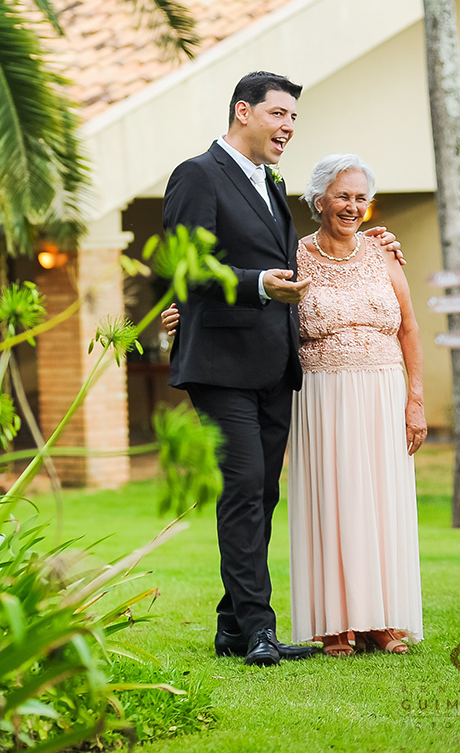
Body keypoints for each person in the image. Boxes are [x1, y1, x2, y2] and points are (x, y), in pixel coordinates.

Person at [160, 71, 401, 667]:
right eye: (278, 115)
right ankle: (261, 632)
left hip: (274, 367)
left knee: (260, 495)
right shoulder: (196, 175)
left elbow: (302, 260)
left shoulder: (271, 184)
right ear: (243, 111)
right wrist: (259, 285)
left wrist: (368, 245)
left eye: (294, 118)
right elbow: (189, 266)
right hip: (219, 366)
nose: (289, 128)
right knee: (243, 491)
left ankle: (231, 626)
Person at [286, 154, 425, 656]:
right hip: (323, 393)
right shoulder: (294, 254)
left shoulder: (383, 253)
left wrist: (415, 400)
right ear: (319, 200)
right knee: (333, 500)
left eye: (361, 197)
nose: (353, 206)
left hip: (384, 390)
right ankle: (335, 623)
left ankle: (383, 618)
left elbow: (409, 328)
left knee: (382, 500)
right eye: (343, 196)